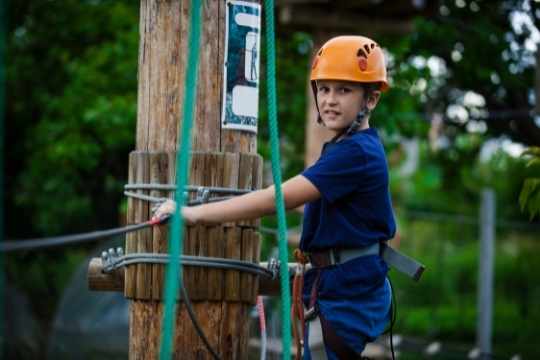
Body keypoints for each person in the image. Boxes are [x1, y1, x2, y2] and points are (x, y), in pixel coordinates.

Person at [154, 35, 395, 359]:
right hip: (342, 286)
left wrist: (193, 214)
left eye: (344, 89)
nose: (330, 100)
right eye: (324, 89)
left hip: (348, 293)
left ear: (371, 99)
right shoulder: (346, 148)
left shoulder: (356, 154)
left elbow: (277, 199)